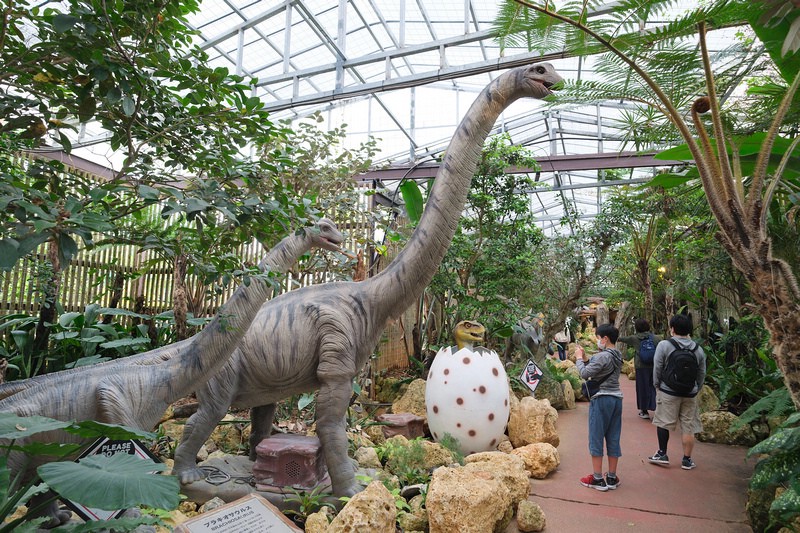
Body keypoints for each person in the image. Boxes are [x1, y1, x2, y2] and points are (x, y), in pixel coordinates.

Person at [648, 314, 707, 470]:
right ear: (689, 330)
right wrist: (696, 388)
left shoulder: (664, 345)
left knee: (663, 422)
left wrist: (657, 385)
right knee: (689, 426)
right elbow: (701, 373)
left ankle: (662, 453)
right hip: (690, 393)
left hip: (668, 391)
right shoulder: (698, 349)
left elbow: (657, 367)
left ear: (672, 329)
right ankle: (687, 460)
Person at [575, 324, 624, 491]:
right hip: (616, 399)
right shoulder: (617, 354)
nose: (597, 341)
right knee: (613, 437)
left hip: (602, 399)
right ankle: (611, 476)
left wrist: (579, 359)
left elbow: (585, 373)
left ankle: (597, 478)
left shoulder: (603, 356)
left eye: (598, 337)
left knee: (596, 436)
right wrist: (588, 359)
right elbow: (600, 370)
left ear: (605, 339)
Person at [618, 318, 661, 419]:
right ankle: (656, 408)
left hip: (641, 367)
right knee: (654, 387)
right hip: (654, 366)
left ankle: (644, 411)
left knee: (642, 388)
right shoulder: (656, 338)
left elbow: (620, 339)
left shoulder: (634, 338)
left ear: (636, 328)